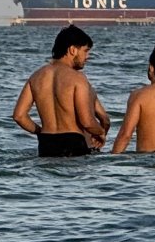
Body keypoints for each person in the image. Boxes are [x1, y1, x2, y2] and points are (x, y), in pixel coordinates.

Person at [13, 24, 110, 157]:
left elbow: (19, 116)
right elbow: (87, 121)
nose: (87, 56)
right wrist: (100, 133)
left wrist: (40, 132)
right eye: (85, 51)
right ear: (72, 50)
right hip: (73, 143)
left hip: (46, 143)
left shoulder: (36, 76)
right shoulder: (78, 78)